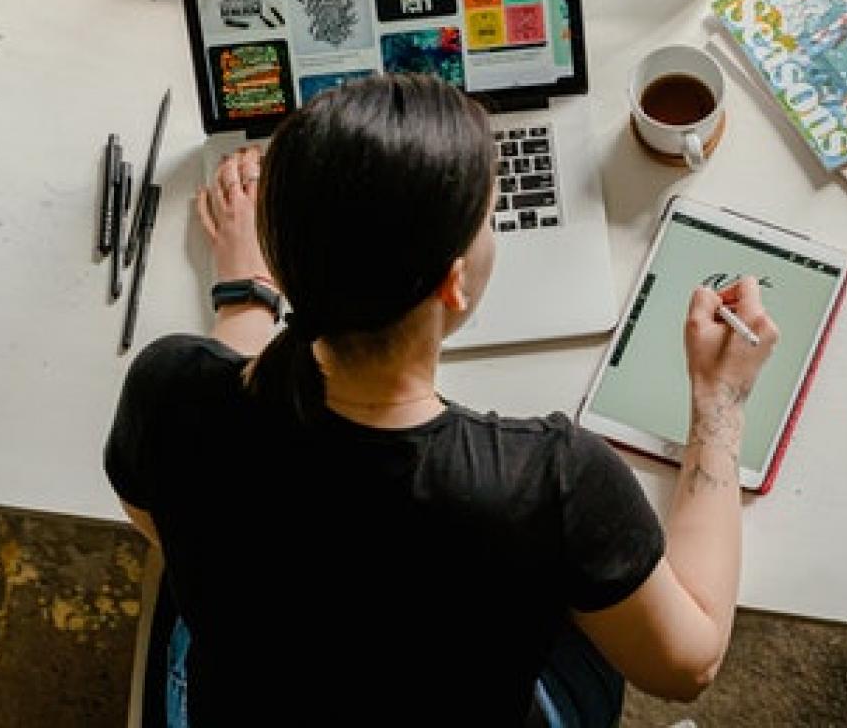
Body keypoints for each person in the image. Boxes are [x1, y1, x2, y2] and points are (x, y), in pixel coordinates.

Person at [104, 73, 779, 726]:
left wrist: (243, 290)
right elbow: (686, 666)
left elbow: (158, 513)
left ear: (284, 262)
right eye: (490, 218)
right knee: (580, 601)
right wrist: (720, 402)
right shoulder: (549, 482)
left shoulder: (168, 391)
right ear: (453, 285)